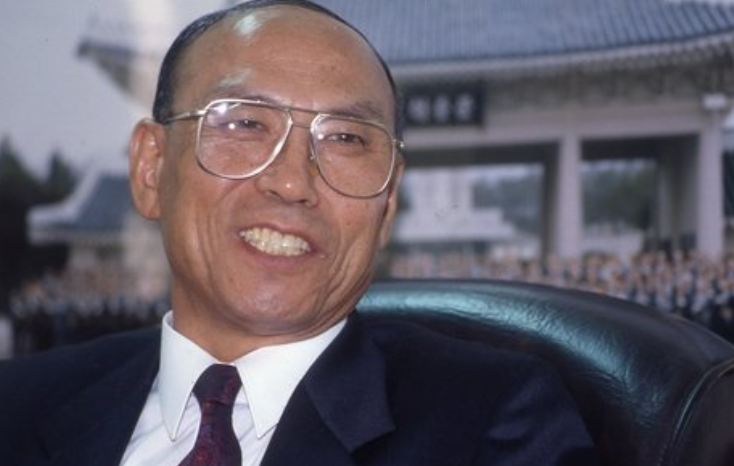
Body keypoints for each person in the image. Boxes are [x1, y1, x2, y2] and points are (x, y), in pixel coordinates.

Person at [0, 1, 599, 465]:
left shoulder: (491, 422)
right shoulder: (18, 403)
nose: (292, 182)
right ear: (151, 169)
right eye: (245, 123)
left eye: (345, 139)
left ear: (388, 203)